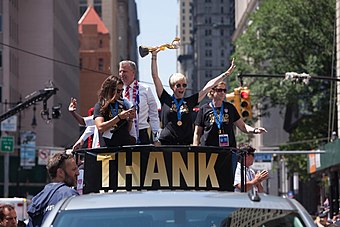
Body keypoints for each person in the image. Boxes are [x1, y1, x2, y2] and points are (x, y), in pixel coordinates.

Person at [150, 50, 236, 145]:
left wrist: (226, 74)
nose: (182, 88)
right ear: (172, 86)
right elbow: (155, 77)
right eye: (178, 85)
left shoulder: (190, 101)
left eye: (184, 85)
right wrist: (154, 56)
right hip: (167, 143)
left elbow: (208, 86)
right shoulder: (165, 99)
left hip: (185, 145)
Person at [193, 81, 267, 147]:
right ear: (212, 91)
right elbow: (197, 133)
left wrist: (255, 130)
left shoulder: (230, 107)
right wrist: (195, 150)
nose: (222, 93)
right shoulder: (204, 109)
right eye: (219, 90)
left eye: (224, 90)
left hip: (227, 150)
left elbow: (242, 126)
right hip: (209, 150)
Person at [27, 153, 79, 227]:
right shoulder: (69, 196)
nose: (78, 173)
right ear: (60, 172)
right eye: (74, 169)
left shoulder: (37, 199)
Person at [119, 60, 161, 144]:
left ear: (133, 73)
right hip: (124, 133)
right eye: (120, 71)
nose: (121, 74)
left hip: (142, 133)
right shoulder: (119, 91)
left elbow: (153, 114)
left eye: (125, 71)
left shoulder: (145, 89)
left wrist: (156, 136)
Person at [94, 75, 137, 147]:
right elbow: (100, 127)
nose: (120, 93)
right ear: (110, 90)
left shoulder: (123, 104)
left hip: (124, 147)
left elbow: (127, 130)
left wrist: (130, 119)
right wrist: (119, 117)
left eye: (122, 90)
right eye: (118, 91)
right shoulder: (100, 106)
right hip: (108, 150)